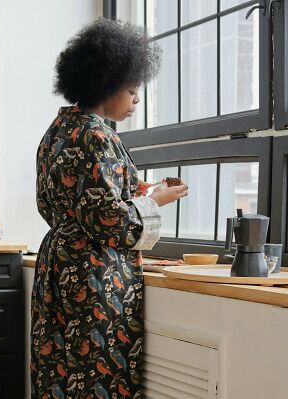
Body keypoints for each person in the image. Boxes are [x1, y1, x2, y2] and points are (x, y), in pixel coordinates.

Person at [31, 19, 188, 398]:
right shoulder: (97, 134)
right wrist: (156, 201)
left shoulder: (58, 129)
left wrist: (141, 191)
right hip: (94, 275)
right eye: (132, 90)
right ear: (105, 83)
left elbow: (67, 201)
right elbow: (111, 220)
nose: (136, 100)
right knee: (97, 373)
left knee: (59, 371)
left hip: (58, 263)